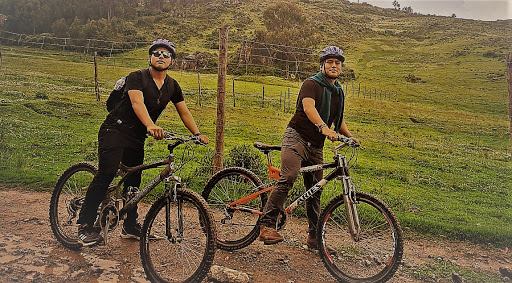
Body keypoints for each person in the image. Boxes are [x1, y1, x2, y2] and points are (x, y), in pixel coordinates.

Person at [76, 39, 209, 246]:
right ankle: (84, 225)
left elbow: (184, 111)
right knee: (107, 173)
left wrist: (197, 133)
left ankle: (129, 226)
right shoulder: (137, 77)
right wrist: (150, 125)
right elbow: (137, 103)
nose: (161, 56)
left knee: (133, 181)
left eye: (166, 54)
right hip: (115, 129)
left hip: (136, 137)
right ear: (150, 57)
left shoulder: (172, 86)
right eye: (157, 53)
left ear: (172, 60)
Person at [258, 46, 359, 250]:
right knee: (289, 176)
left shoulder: (338, 92)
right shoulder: (311, 84)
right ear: (322, 65)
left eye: (337, 63)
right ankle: (267, 225)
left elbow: (337, 120)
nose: (333, 66)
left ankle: (314, 238)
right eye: (329, 62)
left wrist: (350, 137)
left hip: (317, 146)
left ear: (341, 67)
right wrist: (323, 127)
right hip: (297, 137)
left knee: (315, 190)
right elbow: (309, 108)